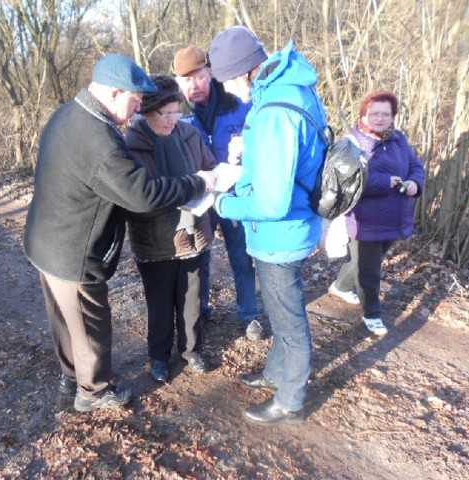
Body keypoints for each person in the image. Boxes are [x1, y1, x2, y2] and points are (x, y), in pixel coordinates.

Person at [23, 54, 215, 413]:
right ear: (114, 93)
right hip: (71, 249)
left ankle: (71, 375)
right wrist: (197, 183)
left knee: (65, 320)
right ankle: (92, 391)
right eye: (135, 100)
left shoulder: (69, 114)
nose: (140, 107)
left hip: (45, 240)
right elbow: (142, 194)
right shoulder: (97, 138)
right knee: (88, 323)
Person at [208, 26, 327, 425]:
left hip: (281, 233)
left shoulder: (275, 109)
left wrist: (224, 203)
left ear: (245, 70)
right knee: (278, 311)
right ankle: (276, 372)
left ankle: (291, 400)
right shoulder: (290, 87)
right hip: (292, 225)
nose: (227, 90)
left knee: (289, 321)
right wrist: (248, 157)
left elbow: (273, 202)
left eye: (226, 80)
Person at [125, 75, 217, 383]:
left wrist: (216, 179)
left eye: (176, 111)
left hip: (194, 233)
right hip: (155, 238)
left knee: (192, 299)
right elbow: (137, 194)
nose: (172, 120)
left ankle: (191, 350)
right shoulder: (131, 146)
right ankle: (159, 358)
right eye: (165, 113)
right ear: (145, 112)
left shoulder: (190, 134)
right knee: (160, 303)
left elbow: (209, 168)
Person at [172, 46, 262, 341]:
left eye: (198, 77)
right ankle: (202, 310)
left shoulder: (239, 104)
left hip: (236, 194)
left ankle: (249, 313)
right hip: (200, 198)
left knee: (241, 256)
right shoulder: (177, 115)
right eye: (185, 80)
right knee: (200, 257)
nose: (192, 86)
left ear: (210, 73)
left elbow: (260, 144)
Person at [327, 90, 425, 336]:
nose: (379, 118)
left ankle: (340, 286)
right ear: (364, 114)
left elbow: (415, 166)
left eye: (385, 114)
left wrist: (415, 182)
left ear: (393, 116)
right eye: (374, 114)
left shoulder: (398, 138)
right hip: (364, 220)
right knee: (369, 270)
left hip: (395, 217)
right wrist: (384, 182)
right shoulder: (352, 143)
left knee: (368, 262)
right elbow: (344, 181)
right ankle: (372, 314)